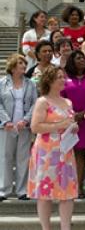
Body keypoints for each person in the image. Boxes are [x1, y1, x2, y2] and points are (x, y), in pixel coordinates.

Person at [27, 66, 78, 230]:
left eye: (64, 77)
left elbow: (68, 122)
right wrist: (60, 124)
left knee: (67, 192)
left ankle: (65, 227)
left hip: (66, 150)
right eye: (59, 77)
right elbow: (35, 127)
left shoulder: (68, 101)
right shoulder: (43, 101)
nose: (63, 80)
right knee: (44, 193)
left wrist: (73, 127)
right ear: (49, 80)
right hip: (46, 152)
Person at [0, 54, 37, 201]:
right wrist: (6, 121)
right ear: (13, 66)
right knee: (5, 157)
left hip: (24, 127)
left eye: (24, 63)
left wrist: (26, 120)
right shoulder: (2, 83)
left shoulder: (31, 84)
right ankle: (4, 190)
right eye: (21, 63)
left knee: (23, 158)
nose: (24, 65)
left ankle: (22, 190)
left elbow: (35, 104)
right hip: (6, 127)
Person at [61, 50, 85, 199]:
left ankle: (79, 186)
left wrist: (84, 113)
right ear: (71, 61)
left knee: (81, 153)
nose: (82, 60)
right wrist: (71, 115)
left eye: (83, 58)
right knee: (68, 153)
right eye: (78, 58)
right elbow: (61, 98)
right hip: (68, 120)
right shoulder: (65, 79)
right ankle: (66, 186)